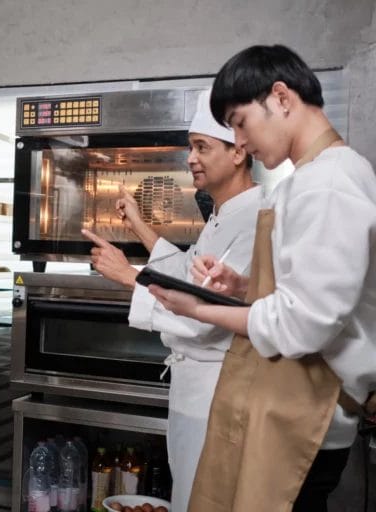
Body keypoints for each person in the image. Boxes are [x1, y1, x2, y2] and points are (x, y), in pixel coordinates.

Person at [149, 45, 376, 512]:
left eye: (240, 122)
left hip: (309, 413)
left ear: (281, 97)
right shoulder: (309, 178)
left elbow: (303, 325)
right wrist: (241, 288)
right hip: (291, 405)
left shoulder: (329, 183)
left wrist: (199, 308)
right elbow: (310, 293)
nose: (242, 141)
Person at [82, 88, 260, 511]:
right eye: (190, 148)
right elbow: (187, 271)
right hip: (192, 389)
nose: (190, 159)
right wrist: (140, 227)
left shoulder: (254, 218)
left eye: (201, 147)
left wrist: (128, 275)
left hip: (217, 392)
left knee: (204, 498)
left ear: (238, 152)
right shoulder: (223, 213)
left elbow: (206, 312)